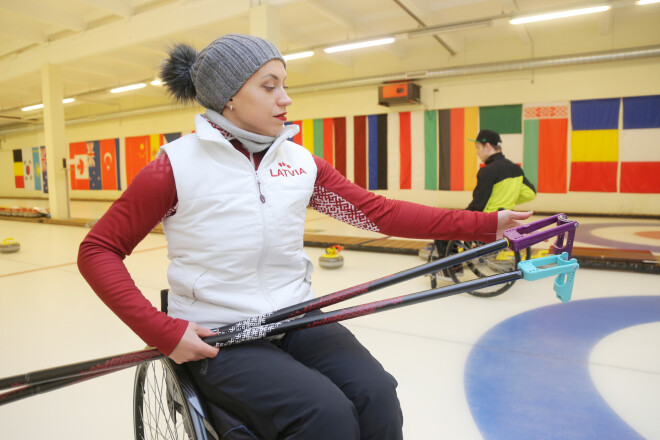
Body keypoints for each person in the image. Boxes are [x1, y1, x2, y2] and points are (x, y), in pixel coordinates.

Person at [77, 34, 532, 440]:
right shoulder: (174, 166)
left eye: (284, 85)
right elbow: (98, 250)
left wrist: (490, 225)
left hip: (295, 317)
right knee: (324, 416)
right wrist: (162, 331)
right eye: (269, 85)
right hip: (221, 334)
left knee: (378, 395)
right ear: (228, 96)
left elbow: (381, 215)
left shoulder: (299, 163)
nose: (286, 98)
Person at [433, 129, 536, 268]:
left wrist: (456, 214)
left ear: (487, 146)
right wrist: (508, 199)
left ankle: (451, 268)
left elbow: (478, 205)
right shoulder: (516, 169)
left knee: (443, 224)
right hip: (502, 221)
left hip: (486, 222)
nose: (477, 152)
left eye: (478, 148)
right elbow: (531, 193)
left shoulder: (487, 171)